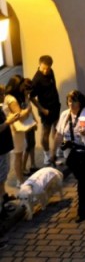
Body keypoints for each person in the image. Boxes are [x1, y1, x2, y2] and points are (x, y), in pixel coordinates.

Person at [55, 90, 85, 222]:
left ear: (80, 102)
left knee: (82, 181)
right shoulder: (64, 115)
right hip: (70, 154)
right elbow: (58, 134)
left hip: (84, 152)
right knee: (83, 178)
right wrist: (53, 152)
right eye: (69, 101)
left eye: (74, 101)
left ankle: (82, 211)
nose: (71, 104)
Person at [29, 55, 61, 167]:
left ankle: (56, 152)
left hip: (55, 106)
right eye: (43, 68)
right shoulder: (36, 79)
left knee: (57, 130)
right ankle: (47, 156)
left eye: (48, 68)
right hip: (46, 110)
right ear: (39, 65)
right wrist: (42, 109)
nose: (46, 71)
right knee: (45, 134)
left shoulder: (50, 71)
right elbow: (31, 97)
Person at [0, 87, 18, 219]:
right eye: (1, 94)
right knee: (0, 178)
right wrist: (8, 121)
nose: (3, 96)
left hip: (4, 148)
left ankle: (3, 202)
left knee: (3, 177)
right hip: (0, 149)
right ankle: (1, 209)